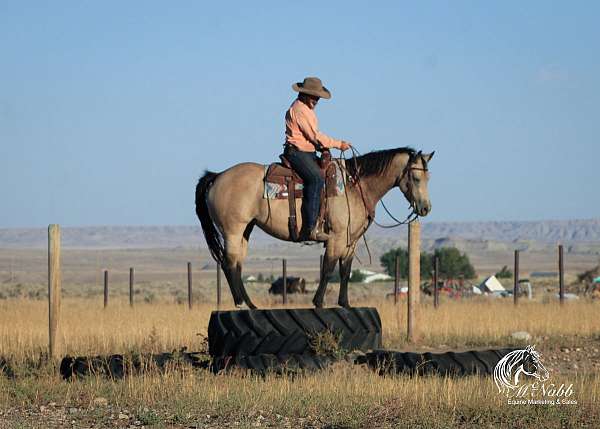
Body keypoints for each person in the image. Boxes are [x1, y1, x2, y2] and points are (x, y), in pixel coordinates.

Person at [283, 77, 351, 241]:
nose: (316, 100)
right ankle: (310, 228)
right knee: (316, 178)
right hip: (297, 153)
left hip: (306, 151)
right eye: (313, 96)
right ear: (305, 94)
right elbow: (314, 136)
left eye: (318, 97)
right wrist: (337, 144)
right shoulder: (299, 109)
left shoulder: (307, 109)